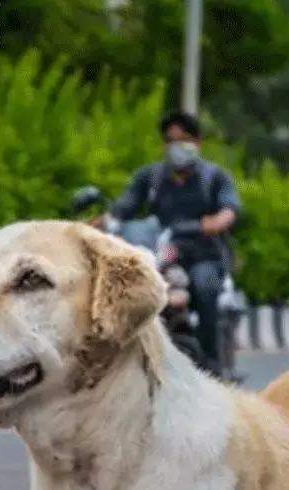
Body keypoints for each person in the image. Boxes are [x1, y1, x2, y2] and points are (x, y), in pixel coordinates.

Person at [100, 109, 242, 375]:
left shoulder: (214, 179)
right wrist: (92, 226)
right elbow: (122, 210)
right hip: (160, 256)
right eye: (171, 140)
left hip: (202, 256)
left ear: (198, 143)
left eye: (184, 139)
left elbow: (229, 211)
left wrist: (211, 223)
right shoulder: (150, 178)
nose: (177, 146)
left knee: (204, 286)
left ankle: (213, 365)